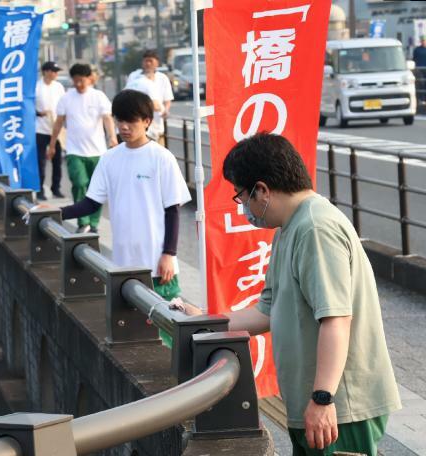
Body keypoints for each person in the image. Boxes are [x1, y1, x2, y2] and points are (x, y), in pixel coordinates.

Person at [222, 133, 401, 455]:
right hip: (315, 401)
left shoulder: (315, 229)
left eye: (242, 196)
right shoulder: (288, 228)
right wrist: (206, 321)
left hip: (339, 405)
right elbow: (267, 310)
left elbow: (336, 320)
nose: (244, 207)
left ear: (262, 190)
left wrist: (322, 398)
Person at [57, 89, 191, 305]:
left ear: (147, 121)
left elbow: (172, 211)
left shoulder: (162, 158)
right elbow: (90, 204)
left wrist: (168, 254)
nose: (124, 127)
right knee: (130, 329)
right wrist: (56, 213)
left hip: (158, 264)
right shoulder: (109, 159)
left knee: (165, 327)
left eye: (131, 121)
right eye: (120, 120)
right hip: (122, 265)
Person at [47, 63, 118, 233]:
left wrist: (113, 138)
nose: (79, 84)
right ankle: (82, 221)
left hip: (97, 152)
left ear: (89, 78)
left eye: (82, 81)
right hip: (75, 151)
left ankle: (93, 223)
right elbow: (58, 123)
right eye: (76, 81)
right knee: (79, 183)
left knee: (97, 189)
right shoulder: (66, 98)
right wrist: (52, 145)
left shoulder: (98, 96)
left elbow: (107, 118)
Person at [126, 50, 174, 145]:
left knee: (158, 154)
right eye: (145, 61)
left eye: (150, 61)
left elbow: (167, 99)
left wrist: (166, 110)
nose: (148, 64)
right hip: (138, 125)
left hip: (157, 124)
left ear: (157, 63)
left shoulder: (162, 78)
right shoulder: (134, 77)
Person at [35, 61, 66, 201]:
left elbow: (64, 104)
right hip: (40, 128)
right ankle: (40, 188)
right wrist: (38, 113)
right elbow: (29, 105)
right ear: (46, 71)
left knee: (57, 160)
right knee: (40, 161)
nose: (55, 73)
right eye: (53, 71)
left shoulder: (59, 87)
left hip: (56, 128)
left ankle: (56, 187)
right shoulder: (36, 87)